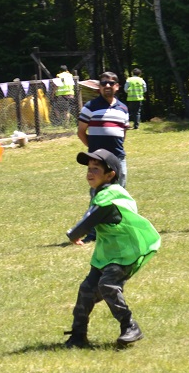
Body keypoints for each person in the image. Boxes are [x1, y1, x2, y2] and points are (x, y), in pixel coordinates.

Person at [64, 149, 160, 348]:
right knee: (86, 290)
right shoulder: (102, 193)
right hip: (107, 254)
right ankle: (78, 336)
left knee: (107, 285)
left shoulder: (109, 197)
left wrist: (74, 234)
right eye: (89, 169)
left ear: (110, 175)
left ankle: (130, 325)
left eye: (96, 169)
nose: (90, 173)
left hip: (124, 254)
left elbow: (88, 221)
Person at [78, 71, 129, 187]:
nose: (107, 86)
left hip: (118, 157)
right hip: (97, 160)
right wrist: (94, 149)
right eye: (104, 83)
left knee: (120, 191)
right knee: (98, 193)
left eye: (111, 83)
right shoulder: (90, 107)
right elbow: (81, 132)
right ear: (99, 86)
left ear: (117, 86)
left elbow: (123, 133)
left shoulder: (123, 108)